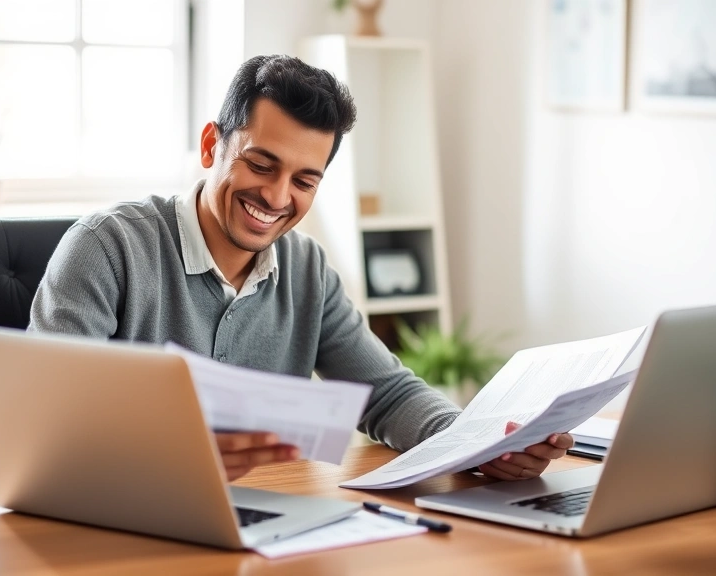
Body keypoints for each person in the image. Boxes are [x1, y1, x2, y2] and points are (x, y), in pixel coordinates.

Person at [29, 54, 573, 482]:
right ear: (210, 144)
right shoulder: (106, 248)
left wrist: (477, 444)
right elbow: (48, 422)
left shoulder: (305, 267)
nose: (276, 195)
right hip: (117, 520)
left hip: (266, 522)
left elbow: (385, 394)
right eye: (261, 164)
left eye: (304, 181)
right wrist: (173, 457)